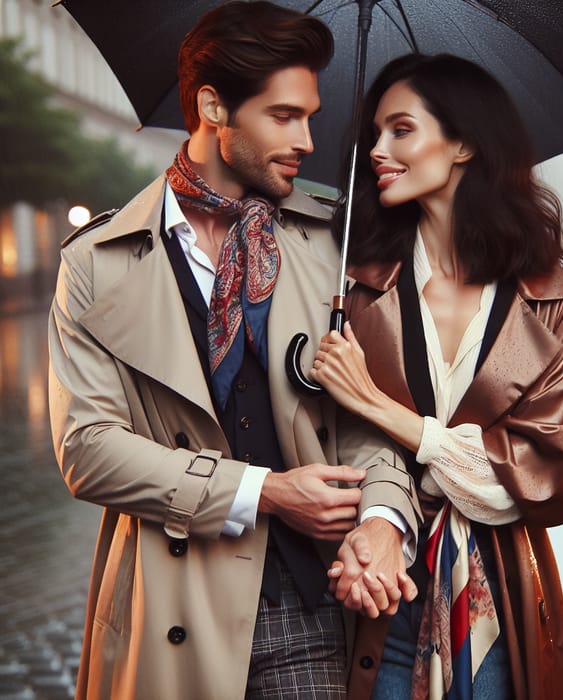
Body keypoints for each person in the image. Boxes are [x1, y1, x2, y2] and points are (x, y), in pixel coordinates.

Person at [47, 4, 420, 699]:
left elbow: (372, 422)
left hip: (308, 604)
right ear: (214, 106)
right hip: (167, 610)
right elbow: (88, 449)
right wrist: (268, 493)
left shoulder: (329, 248)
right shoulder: (96, 263)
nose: (307, 138)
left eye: (310, 115)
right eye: (284, 115)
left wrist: (380, 520)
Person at [311, 53, 563, 700]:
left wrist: (389, 414)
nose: (378, 149)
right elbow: (323, 438)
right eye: (374, 133)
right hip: (370, 585)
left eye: (401, 129)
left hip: (498, 601)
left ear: (463, 142)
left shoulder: (553, 298)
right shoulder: (347, 283)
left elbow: (545, 479)